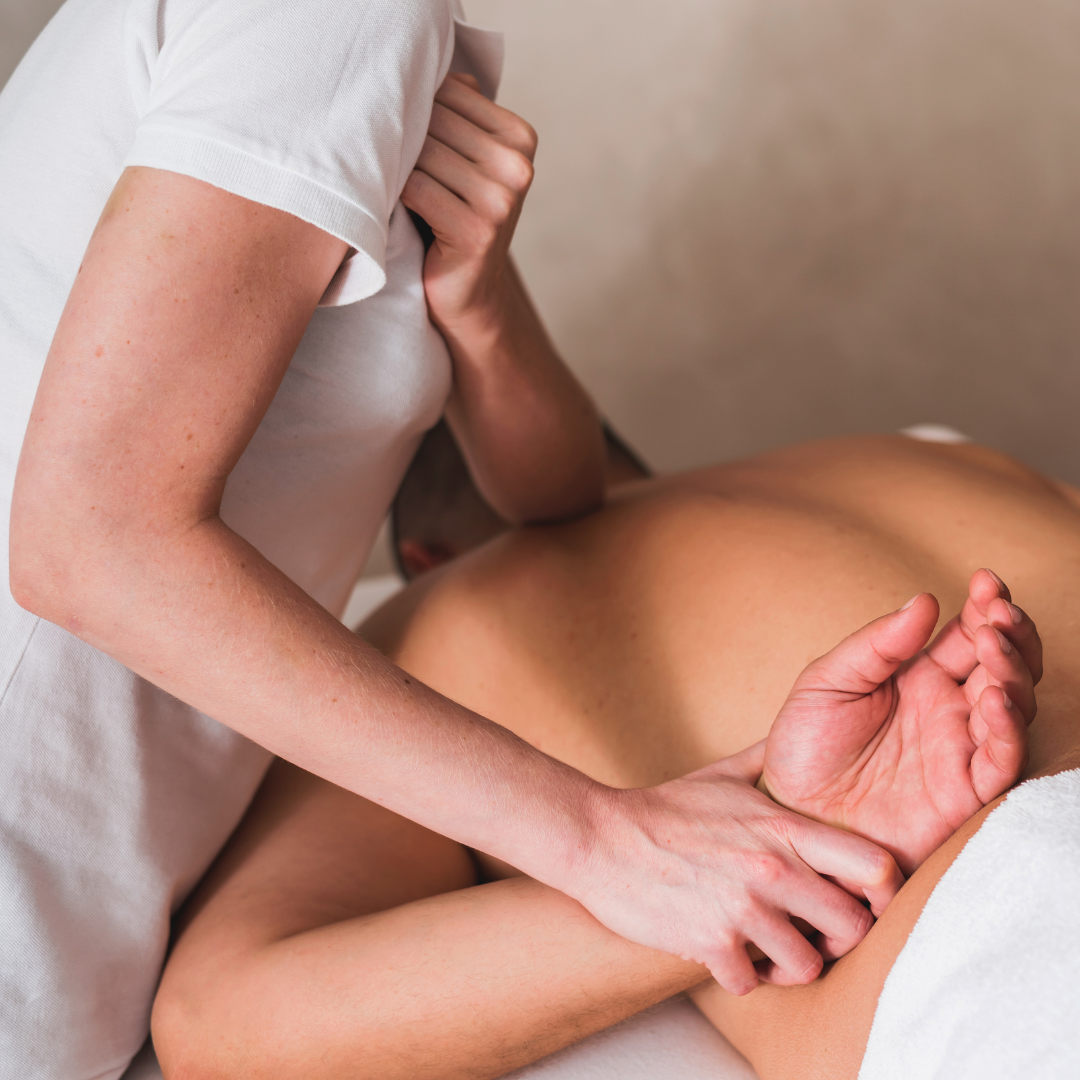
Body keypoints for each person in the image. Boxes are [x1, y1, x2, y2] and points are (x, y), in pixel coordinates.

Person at [0, 2, 898, 1075]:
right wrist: (609, 844)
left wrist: (477, 298)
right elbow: (88, 543)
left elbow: (557, 499)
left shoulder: (375, 41)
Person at [147, 430, 1070, 1080]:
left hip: (1014, 920)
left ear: (427, 553)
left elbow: (219, 1027)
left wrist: (795, 854)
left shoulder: (428, 627)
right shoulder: (930, 454)